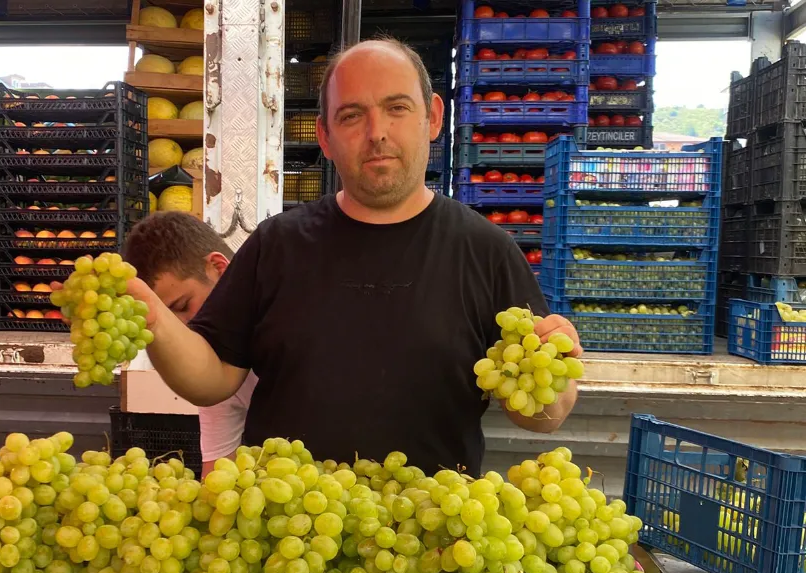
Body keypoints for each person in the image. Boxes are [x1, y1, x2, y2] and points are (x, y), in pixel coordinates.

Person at [127, 36, 582, 475]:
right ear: (324, 136)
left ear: (433, 118)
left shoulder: (487, 251)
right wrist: (157, 321)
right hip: (289, 540)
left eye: (397, 108)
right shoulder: (276, 245)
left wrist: (556, 375)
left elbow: (541, 415)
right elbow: (213, 379)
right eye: (351, 115)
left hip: (431, 541)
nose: (377, 133)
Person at [121, 212, 256, 478]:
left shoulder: (290, 314)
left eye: (183, 306)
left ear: (219, 268)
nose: (182, 327)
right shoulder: (211, 368)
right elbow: (218, 473)